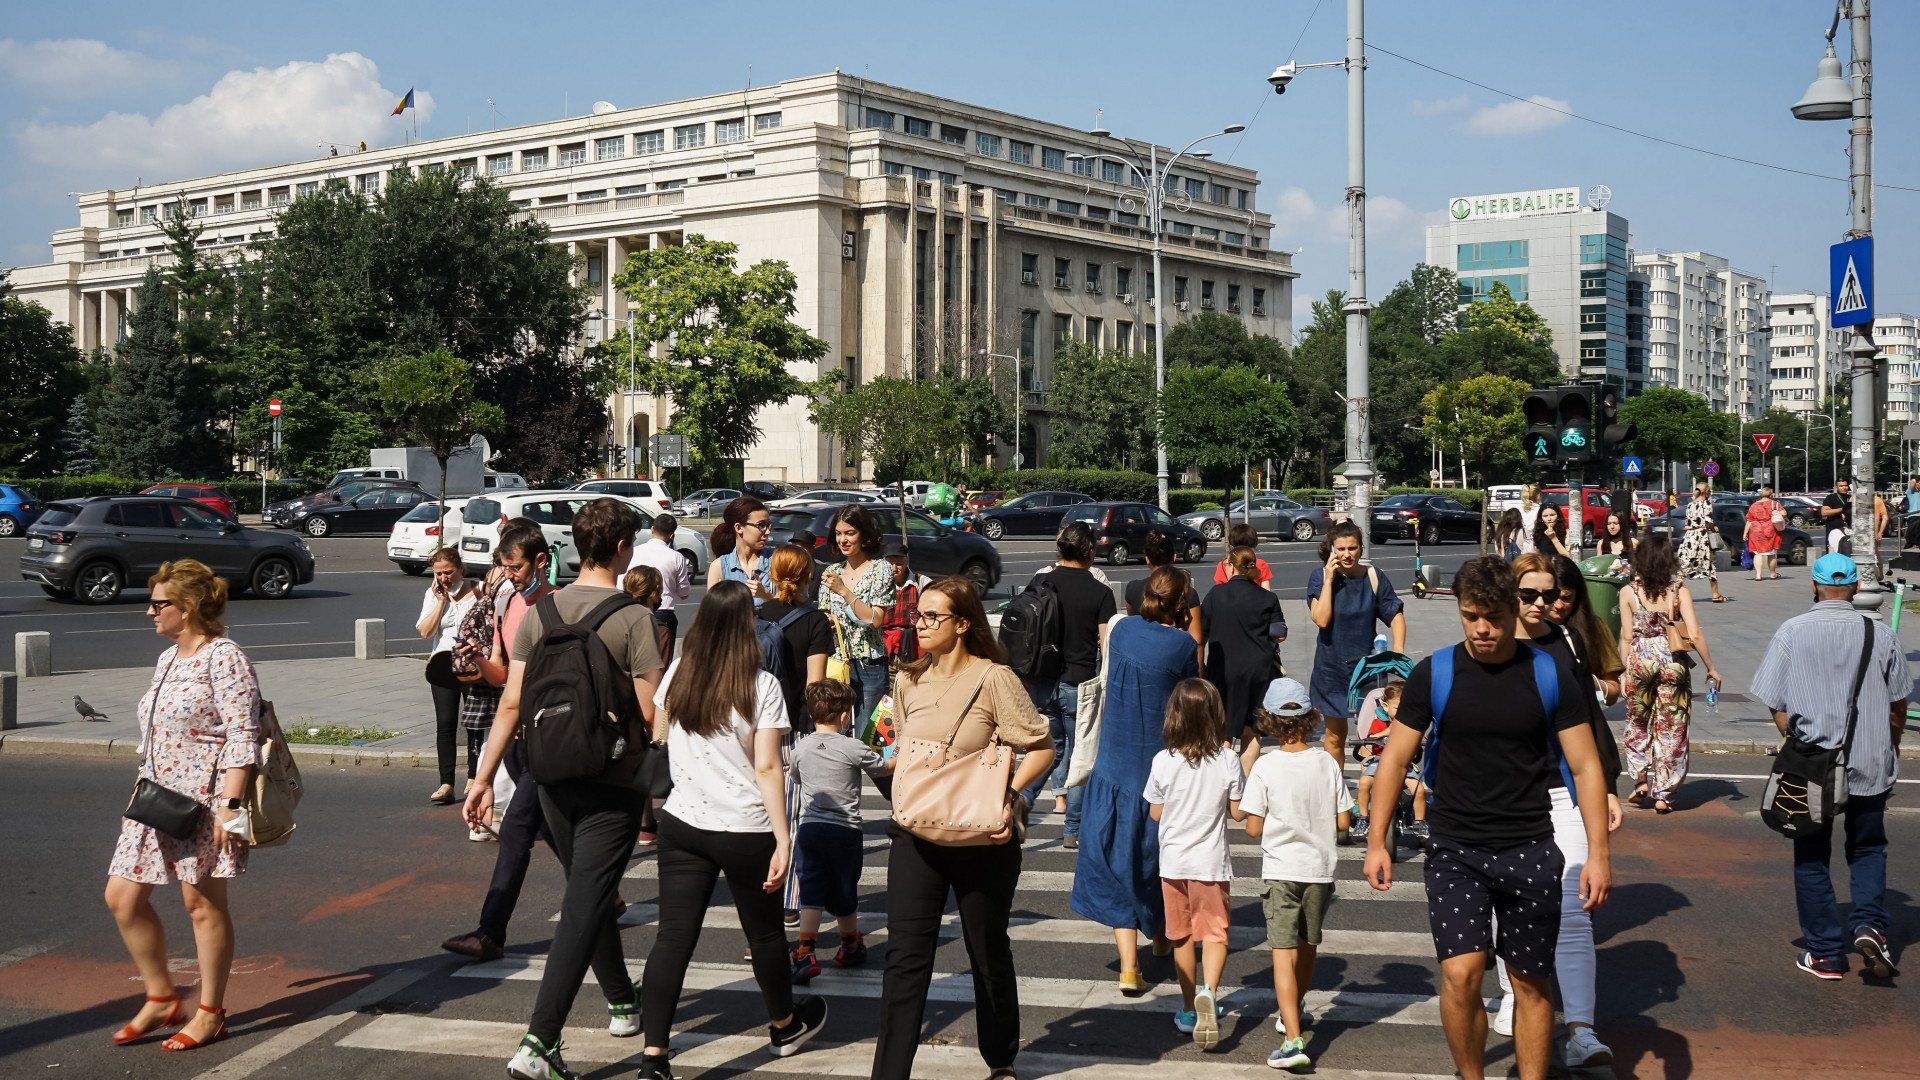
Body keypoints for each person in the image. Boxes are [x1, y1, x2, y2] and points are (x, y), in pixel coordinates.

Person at [1362, 556, 1612, 1080]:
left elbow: (1587, 767)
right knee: (1461, 975)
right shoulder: (1437, 672)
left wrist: (1598, 856)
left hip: (1530, 847)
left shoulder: (1548, 673)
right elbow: (1394, 758)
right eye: (1471, 615)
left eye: (1493, 616)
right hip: (1456, 849)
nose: (1482, 628)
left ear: (1514, 610)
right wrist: (1377, 841)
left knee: (1529, 983)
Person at [464, 498, 665, 1080]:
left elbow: (511, 701)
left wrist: (482, 778)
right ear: (624, 549)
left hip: (547, 773)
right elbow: (651, 716)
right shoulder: (633, 618)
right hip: (612, 780)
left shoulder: (540, 615)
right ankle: (540, 1041)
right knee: (585, 900)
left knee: (588, 892)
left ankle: (623, 1001)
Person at [635, 580, 827, 1078]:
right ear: (746, 627)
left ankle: (654, 1057)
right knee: (763, 935)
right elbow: (768, 768)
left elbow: (659, 726)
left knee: (673, 938)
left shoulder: (679, 672)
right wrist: (784, 839)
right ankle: (784, 1026)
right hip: (745, 826)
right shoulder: (760, 685)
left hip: (682, 821)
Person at [870, 577, 1055, 1080]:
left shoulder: (993, 678)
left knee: (986, 949)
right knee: (905, 960)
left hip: (983, 838)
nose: (920, 625)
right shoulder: (907, 680)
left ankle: (1000, 1059)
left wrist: (1010, 797)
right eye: (918, 616)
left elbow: (1042, 747)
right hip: (916, 835)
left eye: (933, 617)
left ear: (962, 624)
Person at [104, 559, 260, 1052]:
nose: (149, 611)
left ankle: (211, 1012)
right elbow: (157, 731)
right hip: (156, 798)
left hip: (208, 800)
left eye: (158, 603)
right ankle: (161, 996)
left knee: (201, 904)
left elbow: (243, 734)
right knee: (122, 899)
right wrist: (140, 779)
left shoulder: (225, 657)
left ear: (188, 606)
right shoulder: (168, 658)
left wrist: (230, 806)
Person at [1490, 553, 1626, 1068]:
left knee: (1574, 911)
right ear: (1510, 595)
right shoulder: (1491, 644)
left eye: (1550, 596)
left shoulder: (1568, 640)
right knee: (1510, 905)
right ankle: (1511, 993)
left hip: (1563, 790)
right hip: (1504, 798)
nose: (1542, 605)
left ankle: (1581, 1031)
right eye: (1529, 595)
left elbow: (1591, 721)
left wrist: (1606, 786)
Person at [1751, 553, 1911, 981]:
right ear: (1858, 588)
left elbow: (1774, 698)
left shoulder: (1792, 631)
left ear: (1814, 587)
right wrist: (1890, 745)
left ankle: (1824, 952)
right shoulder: (1880, 634)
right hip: (1870, 761)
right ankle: (1870, 926)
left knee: (1810, 854)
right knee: (1868, 847)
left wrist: (1792, 739)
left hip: (1812, 765)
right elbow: (1898, 703)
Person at [1071, 566, 1201, 995]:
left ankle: (1129, 967)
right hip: (1159, 766)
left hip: (1112, 764)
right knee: (1159, 857)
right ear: (1181, 604)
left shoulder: (1122, 631)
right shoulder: (1183, 644)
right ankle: (1163, 936)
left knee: (1114, 861)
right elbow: (1191, 697)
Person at [444, 526, 560, 961]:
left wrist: (483, 775)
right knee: (546, 825)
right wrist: (476, 659)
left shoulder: (557, 607)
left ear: (541, 561)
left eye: (517, 567)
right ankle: (605, 897)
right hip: (516, 728)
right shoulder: (506, 602)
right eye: (505, 568)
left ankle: (490, 932)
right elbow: (502, 672)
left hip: (549, 735)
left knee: (515, 830)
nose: (509, 576)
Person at [1239, 676, 1354, 1073]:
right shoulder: (1326, 761)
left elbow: (1253, 828)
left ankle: (1292, 1039)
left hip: (1281, 869)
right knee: (1307, 947)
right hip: (1320, 871)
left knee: (1281, 954)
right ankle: (1296, 1011)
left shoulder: (1267, 766)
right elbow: (1343, 820)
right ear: (1311, 719)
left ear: (1268, 720)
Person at [1144, 678, 1246, 1052]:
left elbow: (1156, 813)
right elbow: (1237, 812)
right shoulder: (1228, 760)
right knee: (1216, 934)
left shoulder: (1162, 761)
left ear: (1174, 716)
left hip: (1173, 862)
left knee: (1181, 934)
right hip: (1211, 862)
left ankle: (1188, 1008)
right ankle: (1210, 993)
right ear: (1215, 715)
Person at [1016, 521, 1116, 847]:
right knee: (1082, 756)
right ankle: (1072, 830)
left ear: (1060, 550)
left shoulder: (1040, 581)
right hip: (1081, 684)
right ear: (1090, 552)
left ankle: (1022, 799)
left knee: (1049, 749)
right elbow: (1106, 646)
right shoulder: (1100, 592)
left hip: (1043, 680)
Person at [788, 679, 893, 983]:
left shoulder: (801, 747)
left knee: (811, 890)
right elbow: (882, 767)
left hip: (810, 830)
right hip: (844, 832)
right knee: (844, 890)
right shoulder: (853, 747)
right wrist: (901, 757)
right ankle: (849, 945)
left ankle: (805, 951)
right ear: (845, 716)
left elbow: (795, 777)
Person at [1619, 535, 1720, 815]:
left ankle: (1640, 779)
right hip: (1672, 661)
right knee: (1672, 726)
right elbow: (1695, 633)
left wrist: (1624, 670)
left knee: (1637, 721)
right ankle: (1662, 793)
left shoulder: (1629, 592)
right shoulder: (1678, 590)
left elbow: (1626, 636)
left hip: (1639, 661)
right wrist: (1711, 667)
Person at [1306, 521, 1407, 760]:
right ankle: (1336, 791)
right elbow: (1321, 619)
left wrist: (1397, 652)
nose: (1346, 554)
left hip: (1365, 670)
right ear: (1331, 549)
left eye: (1352, 548)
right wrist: (1329, 579)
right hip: (1331, 669)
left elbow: (1396, 615)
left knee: (1372, 736)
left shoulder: (1373, 576)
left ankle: (1369, 791)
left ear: (1361, 548)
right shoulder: (1319, 577)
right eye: (1340, 549)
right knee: (1334, 736)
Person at [1203, 546, 1287, 772]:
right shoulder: (1268, 597)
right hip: (1258, 671)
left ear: (1229, 566)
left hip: (1223, 670)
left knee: (1224, 730)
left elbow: (1201, 631)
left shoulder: (1215, 595)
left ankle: (1224, 783)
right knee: (1252, 731)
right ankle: (1245, 787)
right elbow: (1279, 632)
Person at [820, 505, 895, 732]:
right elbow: (825, 615)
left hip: (870, 664)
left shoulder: (880, 569)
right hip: (837, 663)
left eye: (850, 533)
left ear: (864, 534)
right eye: (839, 533)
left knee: (869, 737)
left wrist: (844, 591)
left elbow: (875, 620)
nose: (843, 540)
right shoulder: (832, 571)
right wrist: (827, 619)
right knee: (835, 733)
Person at [418, 548, 481, 806]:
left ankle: (474, 776)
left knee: (474, 721)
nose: (444, 578)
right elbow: (425, 631)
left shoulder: (478, 591)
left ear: (460, 569)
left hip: (473, 665)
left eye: (449, 572)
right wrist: (442, 602)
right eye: (439, 573)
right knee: (445, 723)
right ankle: (446, 783)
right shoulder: (433, 596)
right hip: (443, 665)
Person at [458, 559, 514, 840]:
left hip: (487, 679)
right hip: (498, 680)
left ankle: (487, 817)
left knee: (493, 745)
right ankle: (493, 816)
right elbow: (500, 647)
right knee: (499, 746)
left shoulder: (488, 590)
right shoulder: (507, 591)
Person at [760, 544, 835, 730]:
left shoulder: (756, 614)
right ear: (809, 575)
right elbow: (814, 684)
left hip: (759, 716)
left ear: (772, 574)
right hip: (796, 719)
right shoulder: (816, 620)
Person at [1352, 683, 1427, 843]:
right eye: (1398, 708)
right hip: (1379, 761)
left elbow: (1421, 739)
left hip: (1403, 763)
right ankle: (1363, 818)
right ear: (1385, 706)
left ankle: (1420, 822)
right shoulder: (1379, 723)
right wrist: (1382, 734)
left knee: (1419, 790)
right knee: (1364, 783)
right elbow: (1370, 739)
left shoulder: (1411, 724)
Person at [626, 512, 692, 665]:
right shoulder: (676, 557)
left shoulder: (634, 551)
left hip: (634, 611)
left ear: (652, 529)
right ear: (672, 535)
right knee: (661, 665)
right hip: (663, 616)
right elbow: (684, 593)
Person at [1125, 528, 1203, 643]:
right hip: (1176, 656)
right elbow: (1197, 640)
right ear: (1174, 557)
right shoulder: (1187, 592)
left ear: (1147, 559)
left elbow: (1133, 624)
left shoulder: (1132, 588)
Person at [708, 495, 775, 601]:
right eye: (761, 525)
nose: (767, 532)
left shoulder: (777, 561)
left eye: (768, 525)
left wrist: (765, 594)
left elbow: (788, 609)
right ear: (739, 528)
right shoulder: (719, 566)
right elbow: (713, 613)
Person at [1677, 483, 1725, 603]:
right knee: (1710, 565)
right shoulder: (1706, 504)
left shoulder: (1690, 504)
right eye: (1709, 491)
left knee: (1684, 564)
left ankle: (1675, 593)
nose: (1710, 493)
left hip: (1689, 537)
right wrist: (1714, 528)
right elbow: (1708, 522)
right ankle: (1715, 594)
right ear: (1706, 492)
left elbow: (1688, 521)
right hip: (1702, 537)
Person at [1211, 521, 1272, 588]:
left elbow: (1219, 590)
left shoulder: (1222, 565)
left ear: (1232, 541)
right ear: (1253, 541)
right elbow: (1266, 591)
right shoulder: (1260, 564)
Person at [1746, 484, 1785, 581]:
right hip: (1770, 530)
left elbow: (1749, 520)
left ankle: (1758, 575)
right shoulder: (1774, 504)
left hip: (1755, 531)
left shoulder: (1754, 505)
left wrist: (1745, 533)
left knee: (1757, 553)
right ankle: (1772, 574)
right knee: (1771, 553)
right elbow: (1784, 513)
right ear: (1771, 494)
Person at [1821, 478, 1852, 556]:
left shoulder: (1851, 498)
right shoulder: (1831, 498)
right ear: (1836, 487)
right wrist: (1843, 509)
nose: (1844, 487)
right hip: (1834, 530)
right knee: (1833, 554)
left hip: (1849, 530)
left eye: (1845, 485)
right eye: (1841, 486)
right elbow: (1824, 512)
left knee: (1848, 553)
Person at [1516, 483, 1542, 555]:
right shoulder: (1539, 509)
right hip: (1535, 542)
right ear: (1538, 495)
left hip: (1521, 542)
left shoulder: (1519, 508)